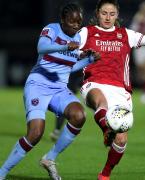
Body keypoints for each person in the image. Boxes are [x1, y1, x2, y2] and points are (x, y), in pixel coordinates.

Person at [78, 0, 145, 179]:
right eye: (104, 13)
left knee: (122, 139)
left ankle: (105, 174)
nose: (108, 17)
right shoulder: (87, 32)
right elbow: (70, 50)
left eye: (111, 13)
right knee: (100, 100)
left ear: (117, 14)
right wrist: (79, 54)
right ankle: (107, 129)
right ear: (97, 13)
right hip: (94, 83)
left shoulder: (126, 34)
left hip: (120, 91)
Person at [0, 3, 99, 180]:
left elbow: (70, 67)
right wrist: (64, 46)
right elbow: (42, 48)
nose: (76, 25)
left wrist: (89, 59)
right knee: (36, 133)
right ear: (63, 20)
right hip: (38, 84)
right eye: (72, 21)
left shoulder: (78, 38)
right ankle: (2, 173)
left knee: (79, 115)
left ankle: (49, 158)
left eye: (79, 22)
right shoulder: (52, 29)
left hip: (59, 88)